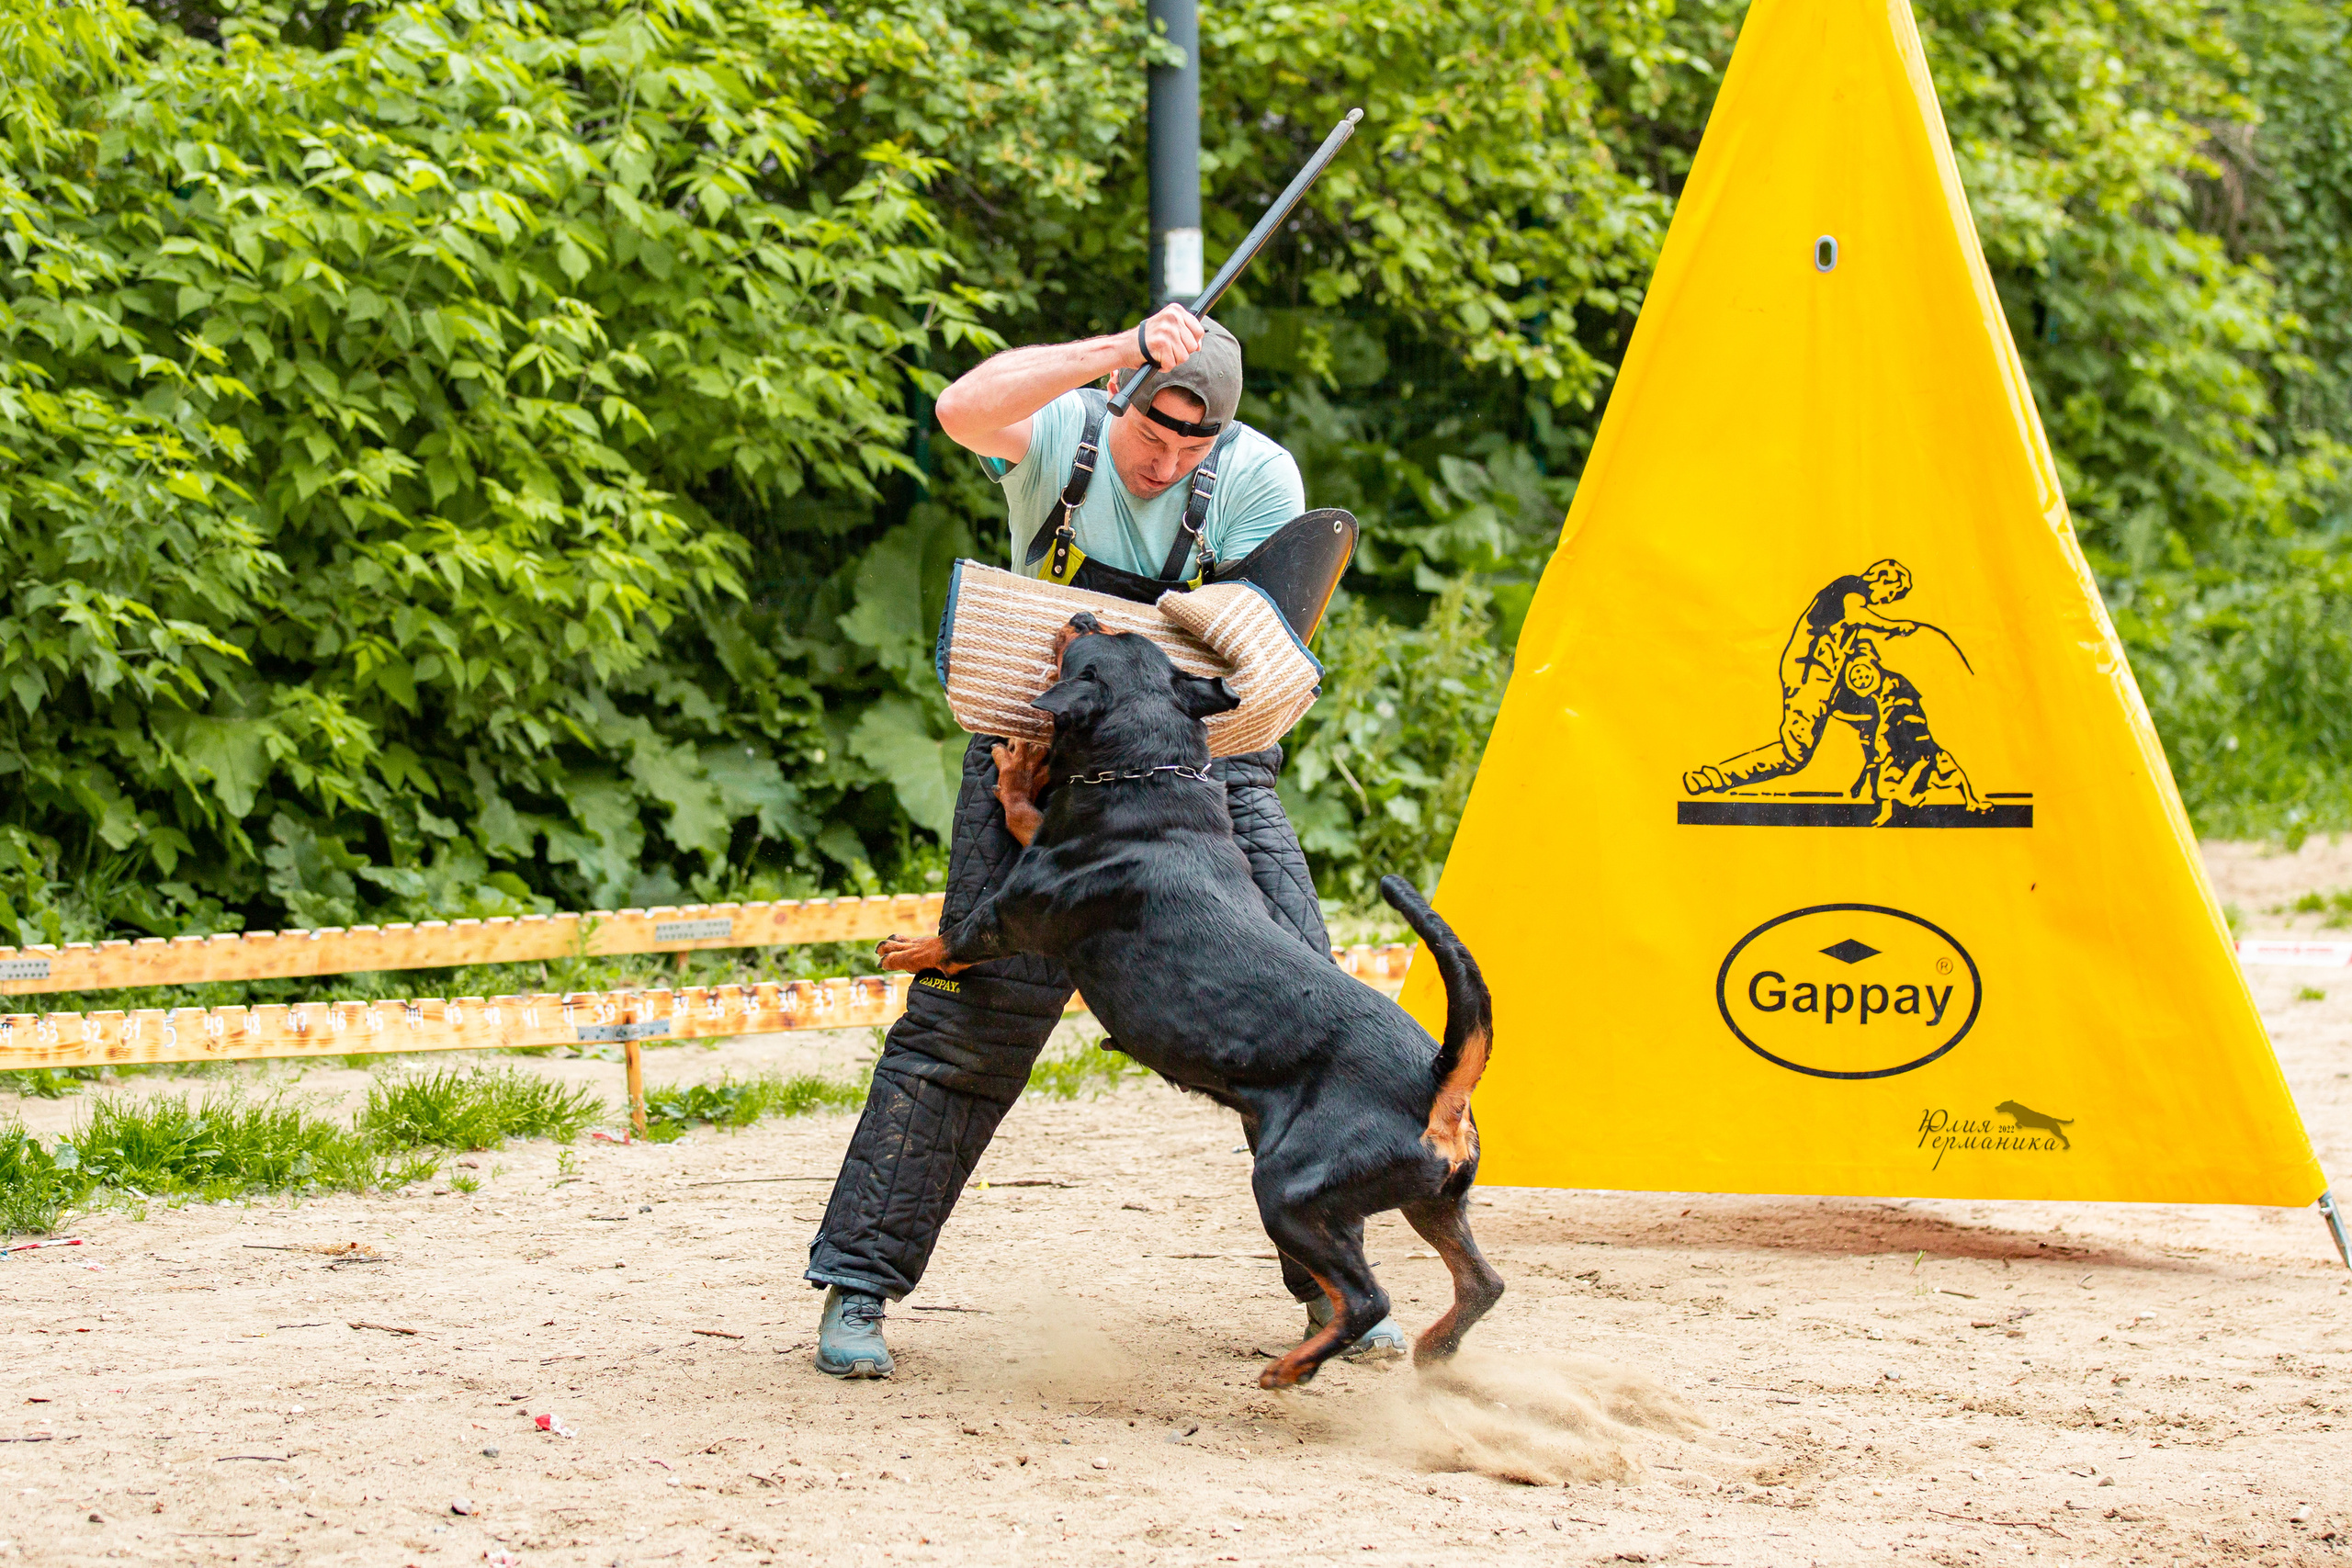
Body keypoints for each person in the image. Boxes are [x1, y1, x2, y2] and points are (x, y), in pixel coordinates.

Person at [804, 304, 1408, 1377]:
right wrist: (1117, 350)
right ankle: (859, 1285)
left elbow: (1256, 643)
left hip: (1203, 774)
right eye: (1152, 434)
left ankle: (1330, 1288)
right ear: (1120, 400)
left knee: (1308, 1005)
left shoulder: (1260, 477)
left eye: (1191, 445)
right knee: (970, 1022)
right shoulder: (1062, 428)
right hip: (1034, 763)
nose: (1165, 459)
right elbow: (959, 408)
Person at [1683, 558, 1920, 795]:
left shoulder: (1851, 599)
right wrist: (1893, 626)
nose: (1887, 601)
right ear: (1882, 579)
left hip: (1827, 680)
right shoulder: (1850, 588)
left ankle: (1877, 784)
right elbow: (1856, 615)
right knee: (1794, 755)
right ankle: (1712, 778)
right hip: (1810, 678)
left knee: (1873, 714)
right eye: (1892, 594)